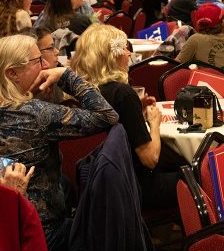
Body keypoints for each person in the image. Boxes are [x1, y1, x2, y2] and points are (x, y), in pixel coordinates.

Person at [0, 35, 118, 251]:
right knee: (105, 228)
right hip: (38, 233)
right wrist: (65, 75)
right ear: (12, 73)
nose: (46, 65)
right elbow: (107, 115)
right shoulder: (35, 115)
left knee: (65, 185)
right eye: (38, 61)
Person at [70, 24, 186, 210]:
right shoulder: (123, 94)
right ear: (112, 55)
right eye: (124, 48)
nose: (129, 54)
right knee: (197, 176)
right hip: (131, 188)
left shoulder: (80, 93)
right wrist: (154, 123)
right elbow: (150, 158)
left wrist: (135, 111)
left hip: (94, 185)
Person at [176, 4, 224, 75]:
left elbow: (175, 66)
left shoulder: (195, 39)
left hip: (214, 88)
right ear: (223, 22)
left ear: (197, 25)